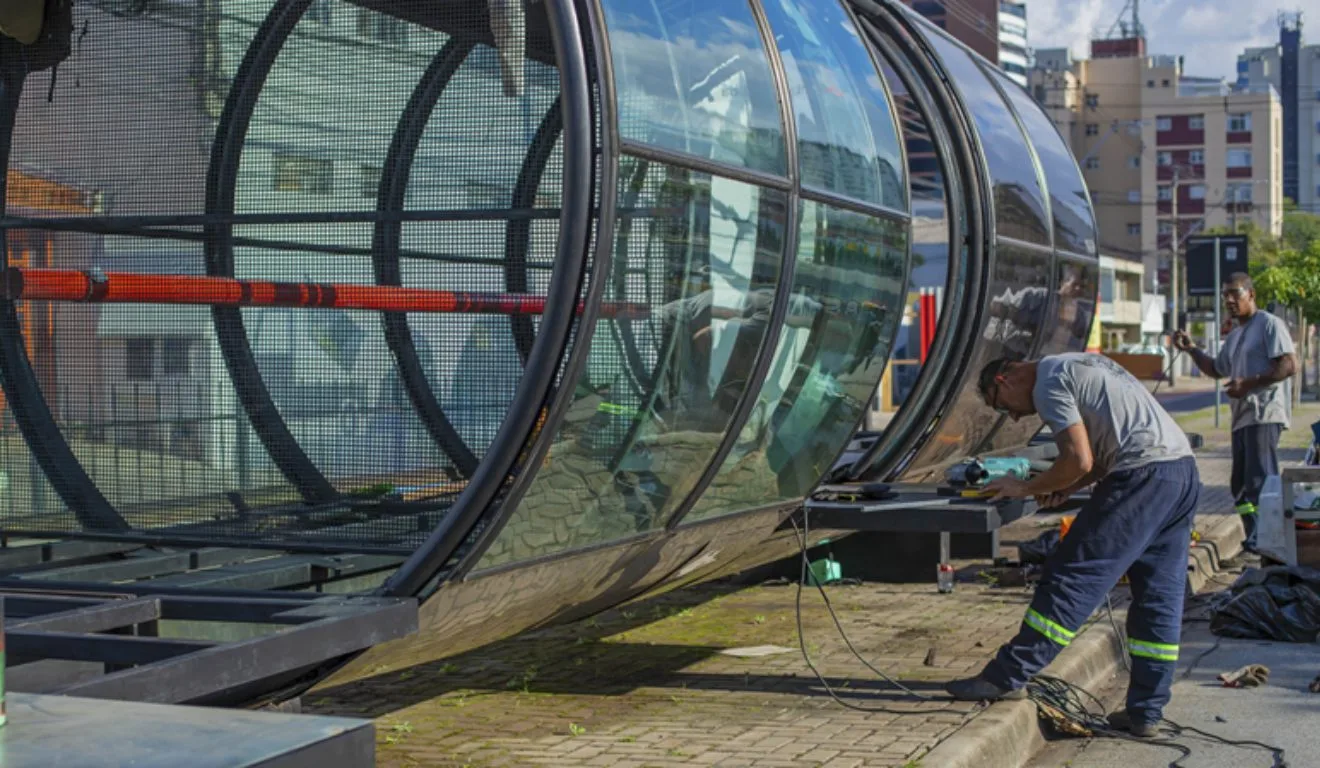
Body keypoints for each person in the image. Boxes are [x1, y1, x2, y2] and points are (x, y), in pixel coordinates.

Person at [944, 353, 1200, 739]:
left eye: (1003, 407)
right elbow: (1093, 461)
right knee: (1159, 599)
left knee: (1072, 576)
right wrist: (1063, 487)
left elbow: (1078, 458)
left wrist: (1027, 487)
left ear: (1005, 378)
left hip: (1142, 477)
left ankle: (1004, 677)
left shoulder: (1049, 381)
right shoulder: (1081, 364)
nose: (1013, 418)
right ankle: (1147, 712)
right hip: (1181, 473)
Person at [1173, 273, 1296, 555]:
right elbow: (1217, 368)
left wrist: (1248, 383)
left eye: (1235, 293)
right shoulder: (1237, 334)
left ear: (1251, 294)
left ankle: (1270, 543)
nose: (1229, 300)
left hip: (1264, 415)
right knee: (1239, 485)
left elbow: (1289, 365)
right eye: (1225, 295)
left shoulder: (1268, 324)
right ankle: (1255, 537)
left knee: (1260, 483)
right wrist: (1191, 349)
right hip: (1242, 418)